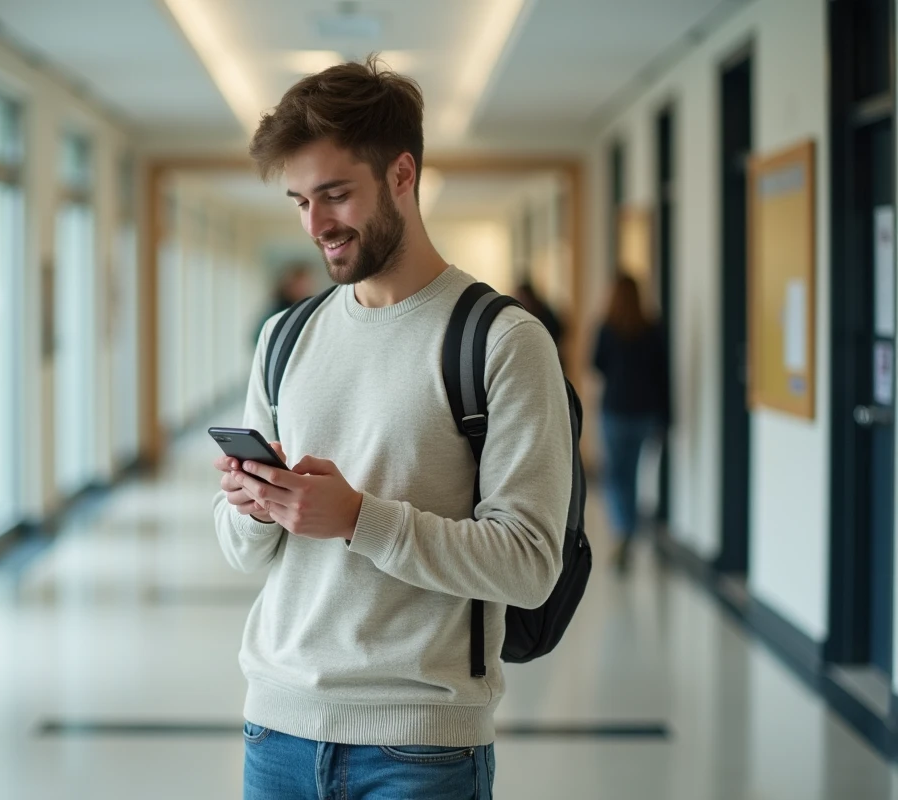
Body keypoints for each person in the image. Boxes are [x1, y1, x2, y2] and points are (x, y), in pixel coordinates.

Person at [211, 55, 573, 799]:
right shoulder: (285, 337)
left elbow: (532, 566)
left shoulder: (503, 341)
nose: (315, 226)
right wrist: (252, 507)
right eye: (299, 201)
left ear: (402, 176)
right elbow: (243, 551)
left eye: (336, 195)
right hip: (275, 729)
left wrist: (358, 520)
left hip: (420, 749)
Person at [591, 272, 669, 572]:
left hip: (615, 409)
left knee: (613, 474)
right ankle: (628, 532)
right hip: (644, 413)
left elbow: (595, 364)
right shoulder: (652, 329)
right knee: (632, 474)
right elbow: (663, 375)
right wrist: (665, 417)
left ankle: (622, 531)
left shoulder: (607, 328)